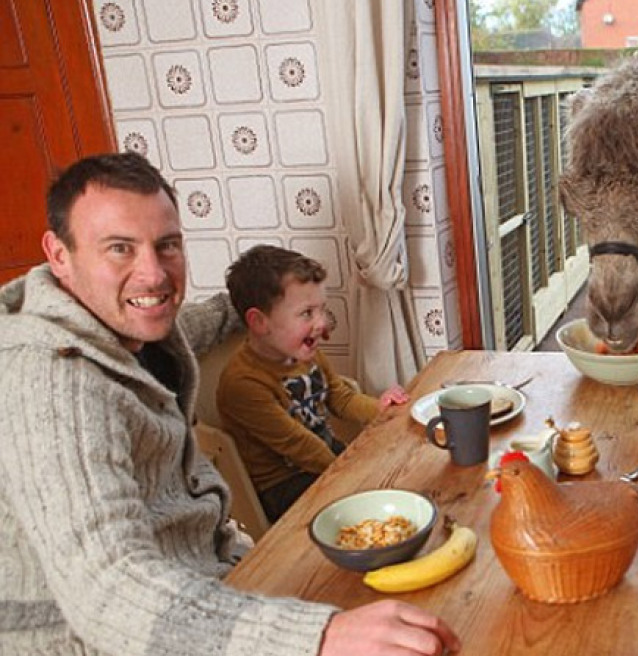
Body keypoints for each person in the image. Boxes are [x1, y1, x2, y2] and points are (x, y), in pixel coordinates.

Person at [0, 152, 460, 655]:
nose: (153, 274)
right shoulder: (50, 380)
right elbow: (109, 591)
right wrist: (317, 637)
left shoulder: (135, 326)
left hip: (211, 590)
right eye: (119, 248)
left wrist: (267, 304)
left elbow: (197, 319)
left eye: (167, 245)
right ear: (59, 254)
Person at [219, 245, 381, 522]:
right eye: (307, 313)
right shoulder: (243, 383)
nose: (321, 322)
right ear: (259, 322)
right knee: (369, 510)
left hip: (327, 456)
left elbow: (341, 397)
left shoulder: (304, 352)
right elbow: (300, 445)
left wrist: (387, 410)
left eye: (322, 309)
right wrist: (353, 476)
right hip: (286, 486)